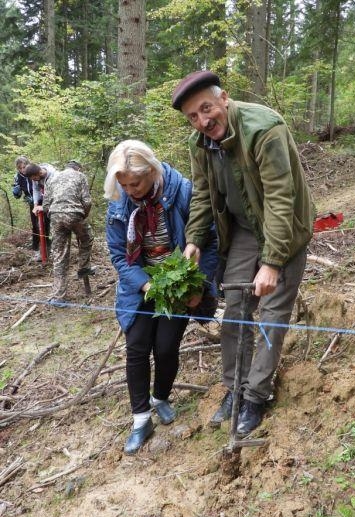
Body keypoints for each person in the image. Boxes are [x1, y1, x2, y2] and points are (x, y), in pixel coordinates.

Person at [172, 70, 316, 436]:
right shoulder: (199, 143)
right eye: (193, 116)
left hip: (285, 227)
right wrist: (193, 240)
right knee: (235, 309)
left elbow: (282, 200)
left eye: (206, 108)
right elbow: (203, 194)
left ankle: (256, 396)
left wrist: (272, 262)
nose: (203, 121)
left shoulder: (264, 129)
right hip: (243, 230)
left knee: (271, 311)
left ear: (224, 98)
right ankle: (234, 388)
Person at [105, 140, 217, 454]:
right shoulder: (119, 203)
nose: (130, 190)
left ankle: (161, 397)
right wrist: (144, 285)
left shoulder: (183, 192)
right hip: (140, 286)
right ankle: (141, 419)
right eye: (124, 184)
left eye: (136, 182)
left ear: (152, 171)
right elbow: (118, 255)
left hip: (178, 282)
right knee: (137, 348)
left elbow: (209, 239)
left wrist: (198, 286)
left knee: (166, 348)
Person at [42, 160, 94, 301]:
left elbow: (45, 205)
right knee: (87, 237)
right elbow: (87, 202)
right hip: (75, 214)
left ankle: (59, 297)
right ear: (78, 168)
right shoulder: (80, 176)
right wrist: (83, 215)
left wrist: (55, 217)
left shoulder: (52, 178)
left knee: (60, 256)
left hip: (55, 217)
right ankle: (83, 266)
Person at [12, 156, 41, 260]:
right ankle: (36, 249)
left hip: (43, 201)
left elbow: (42, 186)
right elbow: (17, 195)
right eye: (20, 168)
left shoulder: (33, 172)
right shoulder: (17, 177)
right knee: (35, 226)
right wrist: (16, 191)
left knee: (45, 224)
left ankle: (47, 247)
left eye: (24, 167)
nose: (23, 169)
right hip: (32, 203)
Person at [24, 162, 57, 251]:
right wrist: (35, 205)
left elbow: (55, 194)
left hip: (57, 203)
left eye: (34, 178)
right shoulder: (35, 176)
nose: (34, 180)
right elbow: (36, 190)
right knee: (43, 225)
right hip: (46, 201)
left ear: (39, 173)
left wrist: (44, 207)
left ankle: (56, 250)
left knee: (56, 227)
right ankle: (46, 249)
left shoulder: (54, 175)